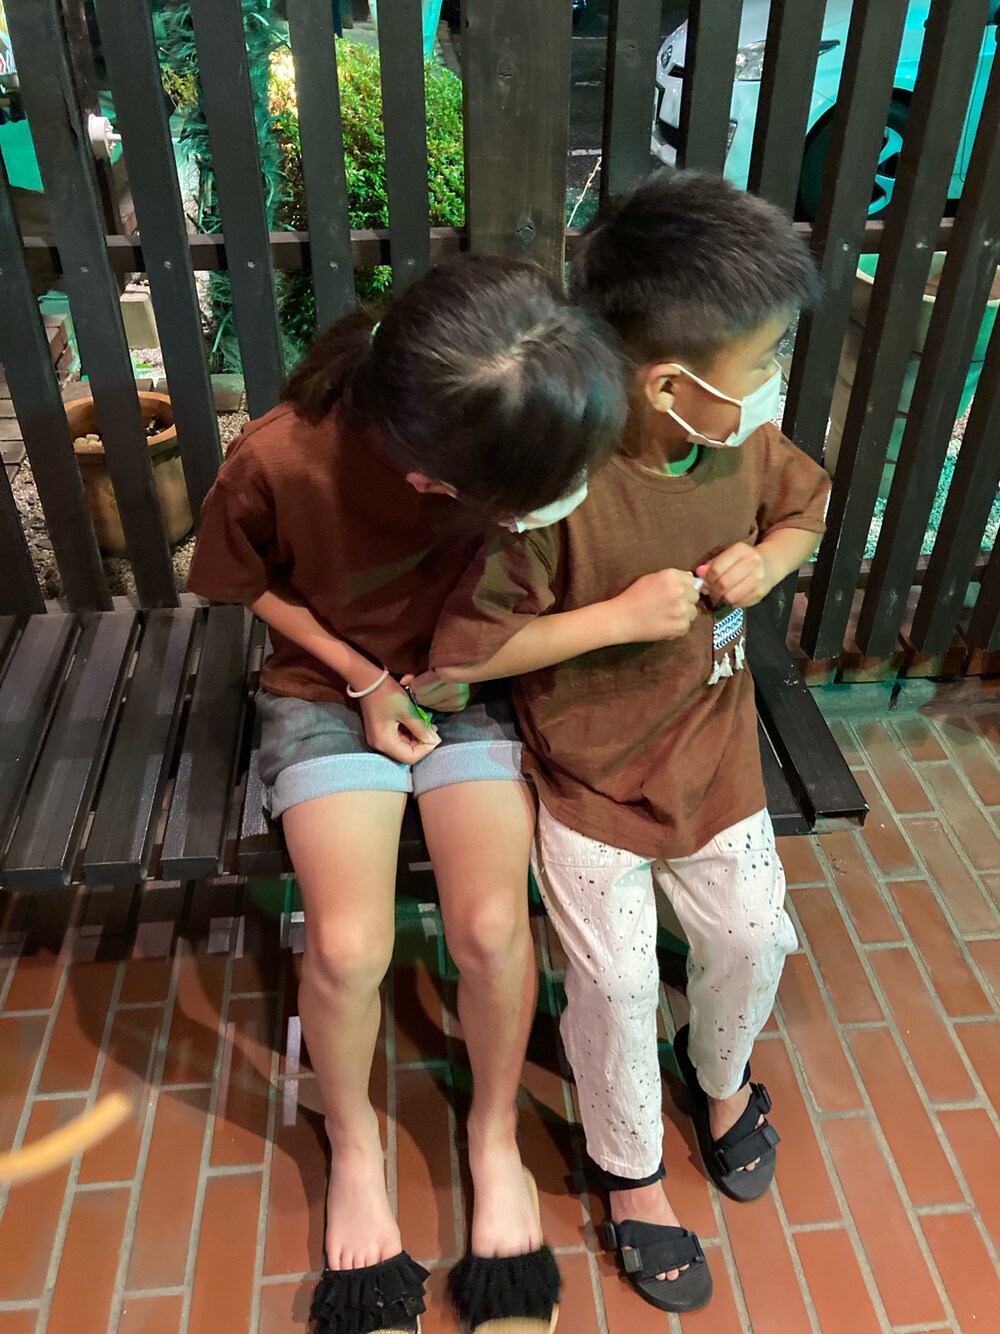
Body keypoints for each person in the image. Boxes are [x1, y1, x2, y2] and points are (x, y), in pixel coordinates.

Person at [186, 254, 628, 1334]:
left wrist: (456, 673)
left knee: (492, 926)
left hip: (469, 685)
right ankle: (356, 1146)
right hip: (327, 689)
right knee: (347, 947)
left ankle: (491, 1135)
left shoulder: (530, 421)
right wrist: (365, 678)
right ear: (433, 483)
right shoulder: (283, 455)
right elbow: (242, 581)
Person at [424, 172, 831, 1315]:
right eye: (762, 360)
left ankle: (718, 1078)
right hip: (591, 777)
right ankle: (629, 1166)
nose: (774, 379)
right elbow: (463, 653)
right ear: (670, 385)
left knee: (752, 933)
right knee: (610, 985)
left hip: (714, 753)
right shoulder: (559, 491)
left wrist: (770, 560)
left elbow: (804, 508)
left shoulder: (743, 445)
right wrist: (612, 618)